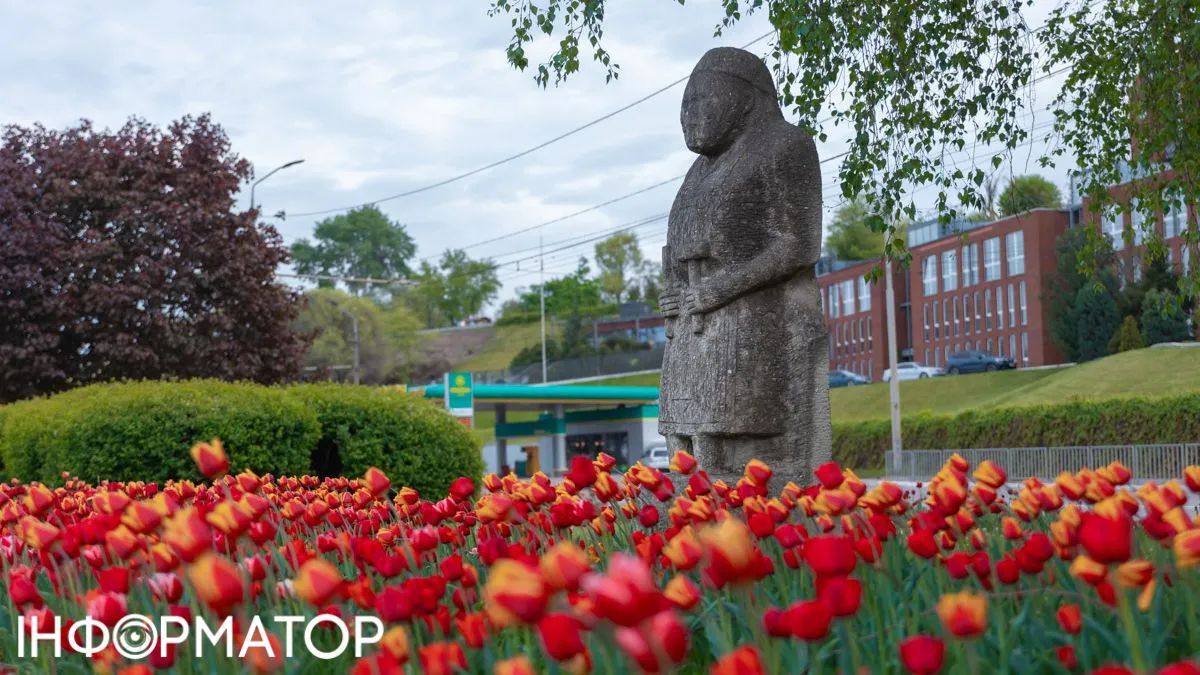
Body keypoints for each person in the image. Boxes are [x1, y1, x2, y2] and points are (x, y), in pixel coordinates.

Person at [657, 46, 832, 485]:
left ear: (745, 97)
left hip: (749, 323)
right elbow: (674, 247)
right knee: (685, 444)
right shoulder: (697, 171)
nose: (691, 114)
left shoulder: (784, 146)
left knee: (731, 448)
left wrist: (724, 288)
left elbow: (797, 243)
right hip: (691, 328)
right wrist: (672, 287)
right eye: (686, 104)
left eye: (703, 99)